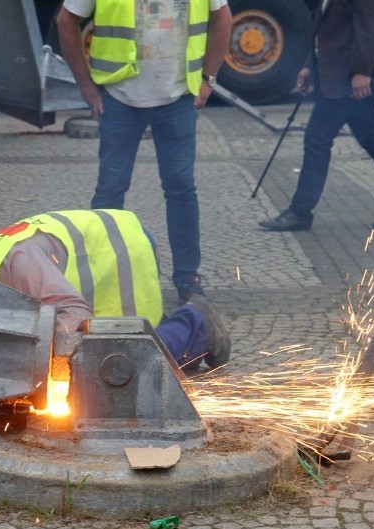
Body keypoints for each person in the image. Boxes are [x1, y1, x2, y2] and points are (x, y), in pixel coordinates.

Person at [56, 0, 232, 303]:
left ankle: (187, 278)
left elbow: (223, 19)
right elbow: (65, 21)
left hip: (177, 96)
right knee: (110, 191)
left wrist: (208, 79)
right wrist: (86, 86)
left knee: (181, 189)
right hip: (119, 97)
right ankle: (103, 276)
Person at [0, 209, 230, 370]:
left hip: (122, 247)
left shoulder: (18, 266)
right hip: (109, 242)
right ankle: (189, 345)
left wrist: (54, 366)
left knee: (123, 362)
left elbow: (75, 314)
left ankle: (197, 322)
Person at [259, 0, 374, 233]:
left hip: (347, 77)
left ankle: (300, 212)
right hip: (335, 74)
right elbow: (325, 28)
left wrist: (362, 72)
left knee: (317, 139)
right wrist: (310, 65)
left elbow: (370, 28)